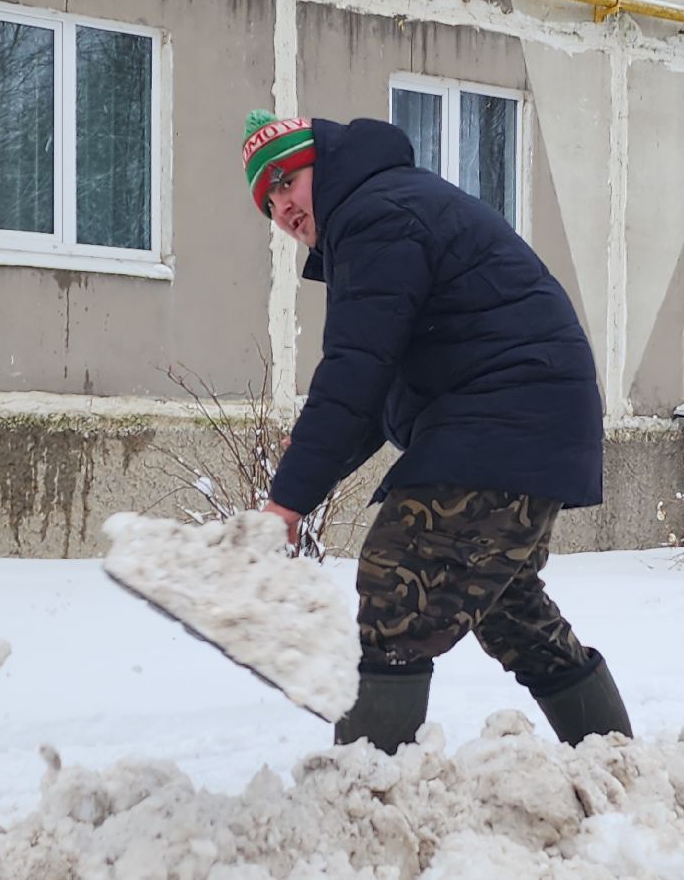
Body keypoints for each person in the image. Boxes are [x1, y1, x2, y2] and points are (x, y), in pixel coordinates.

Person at [239, 108, 633, 755]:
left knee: (399, 581)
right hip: (530, 416)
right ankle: (615, 763)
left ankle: (366, 801)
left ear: (325, 163)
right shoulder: (386, 209)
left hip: (506, 415)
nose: (282, 208)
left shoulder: (375, 215)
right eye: (268, 202)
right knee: (509, 607)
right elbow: (372, 389)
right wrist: (314, 463)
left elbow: (354, 370)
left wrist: (288, 500)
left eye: (286, 181)